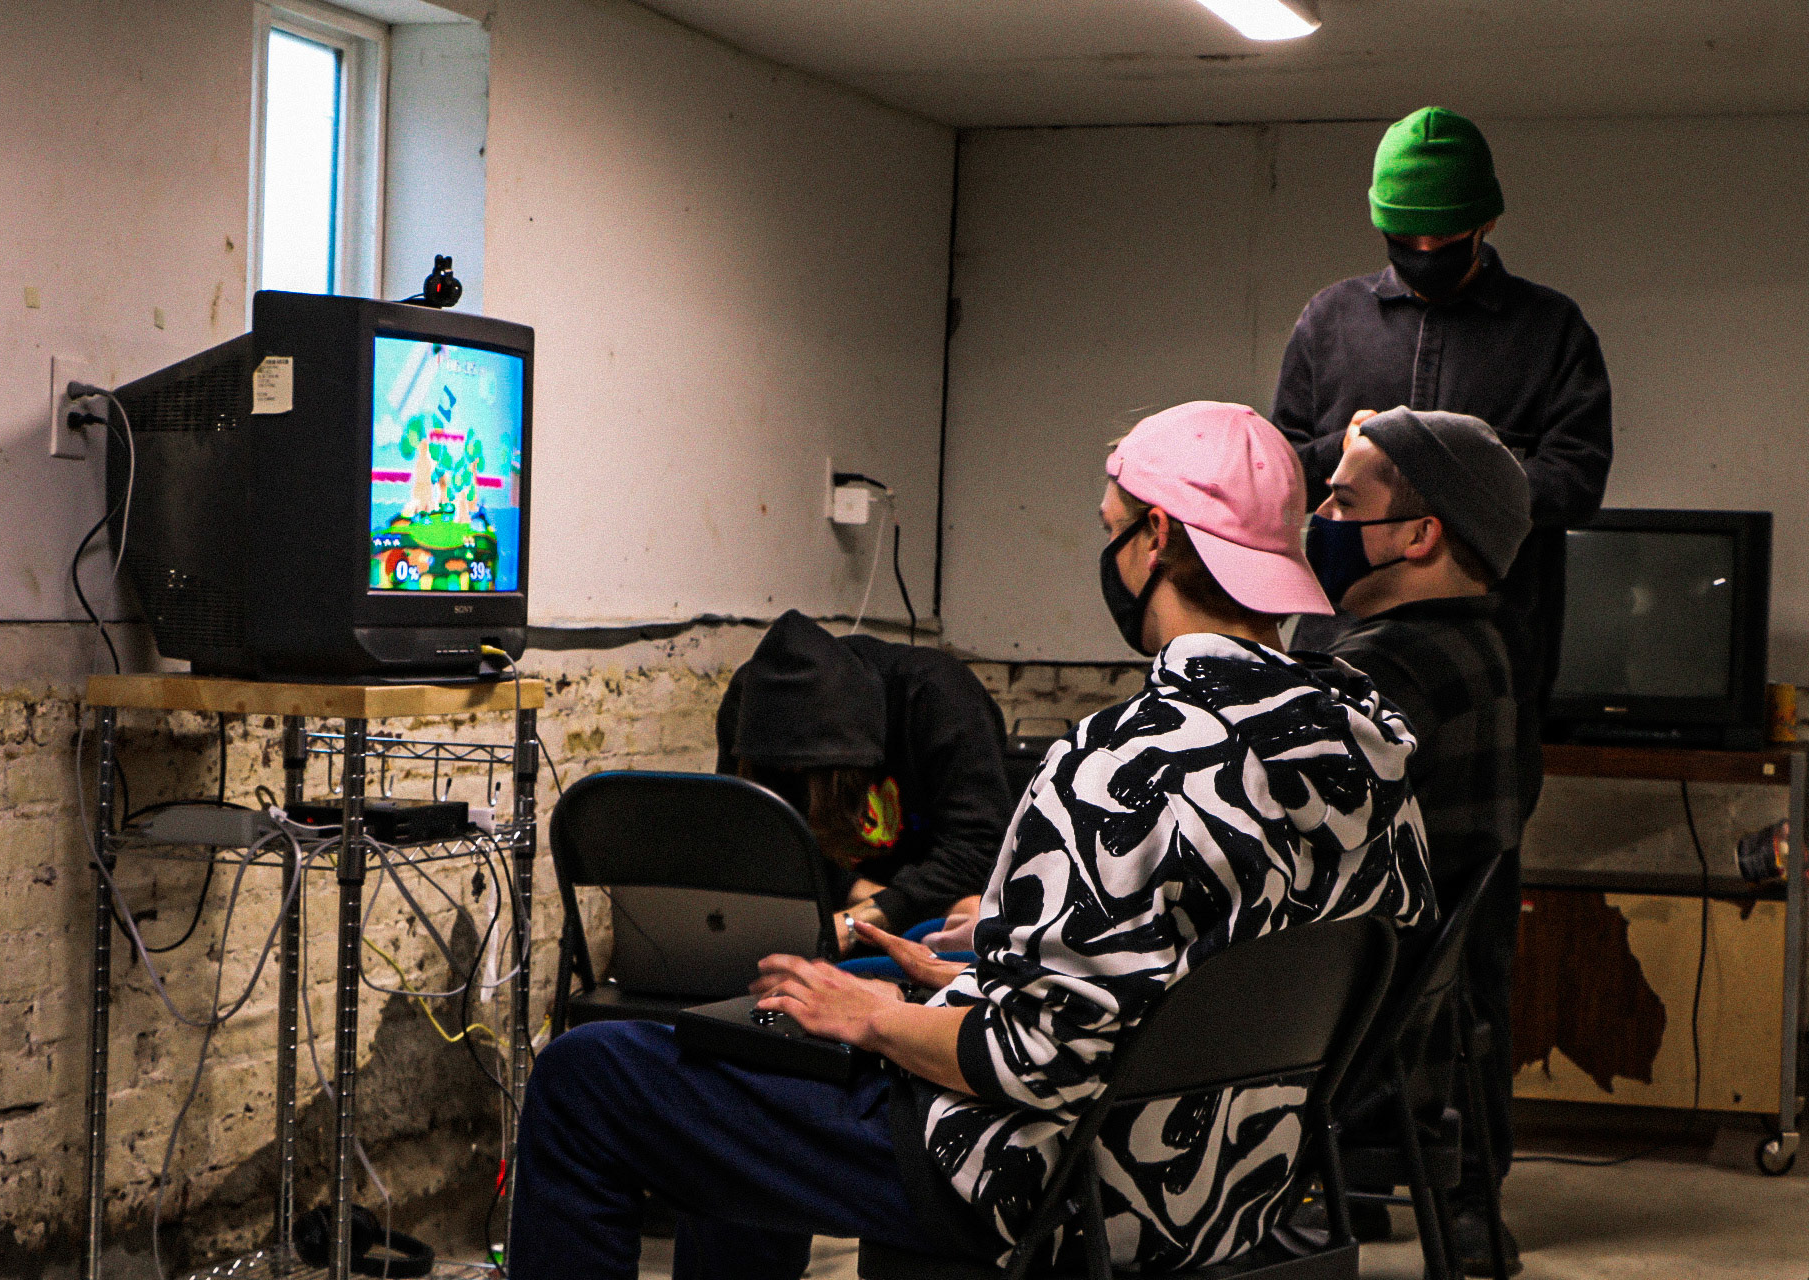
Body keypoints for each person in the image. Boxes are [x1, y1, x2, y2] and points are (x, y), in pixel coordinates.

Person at [509, 401, 1434, 1280]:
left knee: (590, 1076)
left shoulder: (1118, 763)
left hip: (1051, 1184)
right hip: (1244, 1181)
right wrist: (964, 978)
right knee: (765, 1044)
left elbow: (1037, 1060)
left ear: (1155, 537)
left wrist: (873, 1016)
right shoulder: (1371, 744)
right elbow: (1216, 981)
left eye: (1110, 529)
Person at [1272, 105, 1612, 825]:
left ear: (1486, 222)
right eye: (1407, 237)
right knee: (1325, 849)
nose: (1425, 249)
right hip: (1340, 647)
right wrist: (1344, 450)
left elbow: (1578, 482)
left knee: (1472, 862)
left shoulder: (1549, 330)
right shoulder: (1330, 322)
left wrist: (1456, 469)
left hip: (1487, 666)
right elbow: (1279, 479)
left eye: (1445, 237)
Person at [1306, 407, 1531, 1271]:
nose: (1319, 519)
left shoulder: (1380, 672)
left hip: (1333, 1047)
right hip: (1412, 1043)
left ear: (1420, 536)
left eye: (1342, 502)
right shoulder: (1480, 646)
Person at [716, 610, 1011, 951]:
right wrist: (861, 900)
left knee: (969, 912)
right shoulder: (752, 700)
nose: (791, 775)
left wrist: (859, 922)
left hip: (939, 909)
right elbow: (751, 837)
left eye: (805, 768)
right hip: (856, 904)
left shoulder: (937, 696)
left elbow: (981, 848)